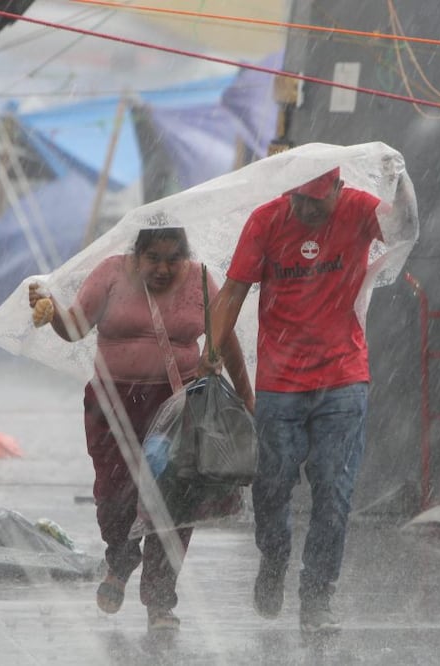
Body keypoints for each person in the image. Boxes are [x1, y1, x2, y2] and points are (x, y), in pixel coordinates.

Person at [28, 227, 253, 634]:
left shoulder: (201, 279)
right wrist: (52, 315)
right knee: (115, 493)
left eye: (174, 259)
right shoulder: (111, 275)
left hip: (177, 407)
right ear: (136, 255)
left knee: (175, 501)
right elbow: (76, 327)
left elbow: (226, 338)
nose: (165, 269)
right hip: (112, 405)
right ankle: (120, 559)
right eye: (154, 259)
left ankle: (161, 602)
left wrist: (247, 399)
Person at [198, 166, 384, 637]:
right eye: (298, 198)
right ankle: (275, 556)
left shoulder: (362, 209)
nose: (305, 209)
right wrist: (212, 351)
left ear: (339, 191)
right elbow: (234, 291)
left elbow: (407, 227)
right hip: (280, 383)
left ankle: (318, 596)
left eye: (316, 201)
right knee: (271, 486)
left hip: (344, 378)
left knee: (334, 494)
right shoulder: (265, 221)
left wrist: (399, 186)